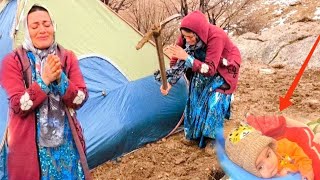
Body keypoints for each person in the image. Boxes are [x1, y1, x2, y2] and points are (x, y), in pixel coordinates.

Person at [0, 4, 91, 180]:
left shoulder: (66, 57)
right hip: (31, 152)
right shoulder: (14, 61)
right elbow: (18, 105)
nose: (42, 30)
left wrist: (61, 80)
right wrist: (45, 81)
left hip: (67, 149)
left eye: (47, 24)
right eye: (35, 26)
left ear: (53, 27)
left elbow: (80, 99)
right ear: (27, 31)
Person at [159, 10, 241, 148]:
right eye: (185, 37)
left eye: (191, 37)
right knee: (195, 96)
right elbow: (176, 61)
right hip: (201, 64)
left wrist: (188, 58)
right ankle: (193, 134)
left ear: (199, 33)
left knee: (214, 100)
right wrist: (169, 83)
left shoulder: (216, 36)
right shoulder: (185, 35)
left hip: (222, 67)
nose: (188, 40)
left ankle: (212, 139)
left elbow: (210, 70)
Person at [225, 124, 314, 179]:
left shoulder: (281, 147)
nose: (270, 164)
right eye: (260, 167)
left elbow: (299, 155)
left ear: (270, 147)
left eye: (268, 155)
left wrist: (306, 171)